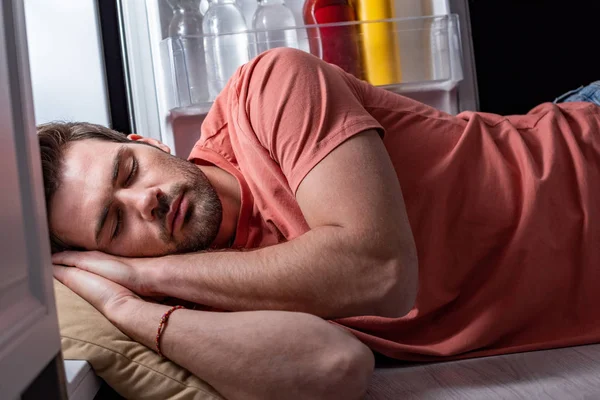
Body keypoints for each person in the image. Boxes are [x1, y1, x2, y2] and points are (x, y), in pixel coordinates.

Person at [42, 48, 600, 399]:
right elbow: (333, 367)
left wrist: (142, 277)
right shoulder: (194, 296)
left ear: (146, 142)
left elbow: (380, 271)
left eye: (130, 170)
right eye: (114, 223)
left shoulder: (265, 92)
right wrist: (125, 305)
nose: (148, 200)